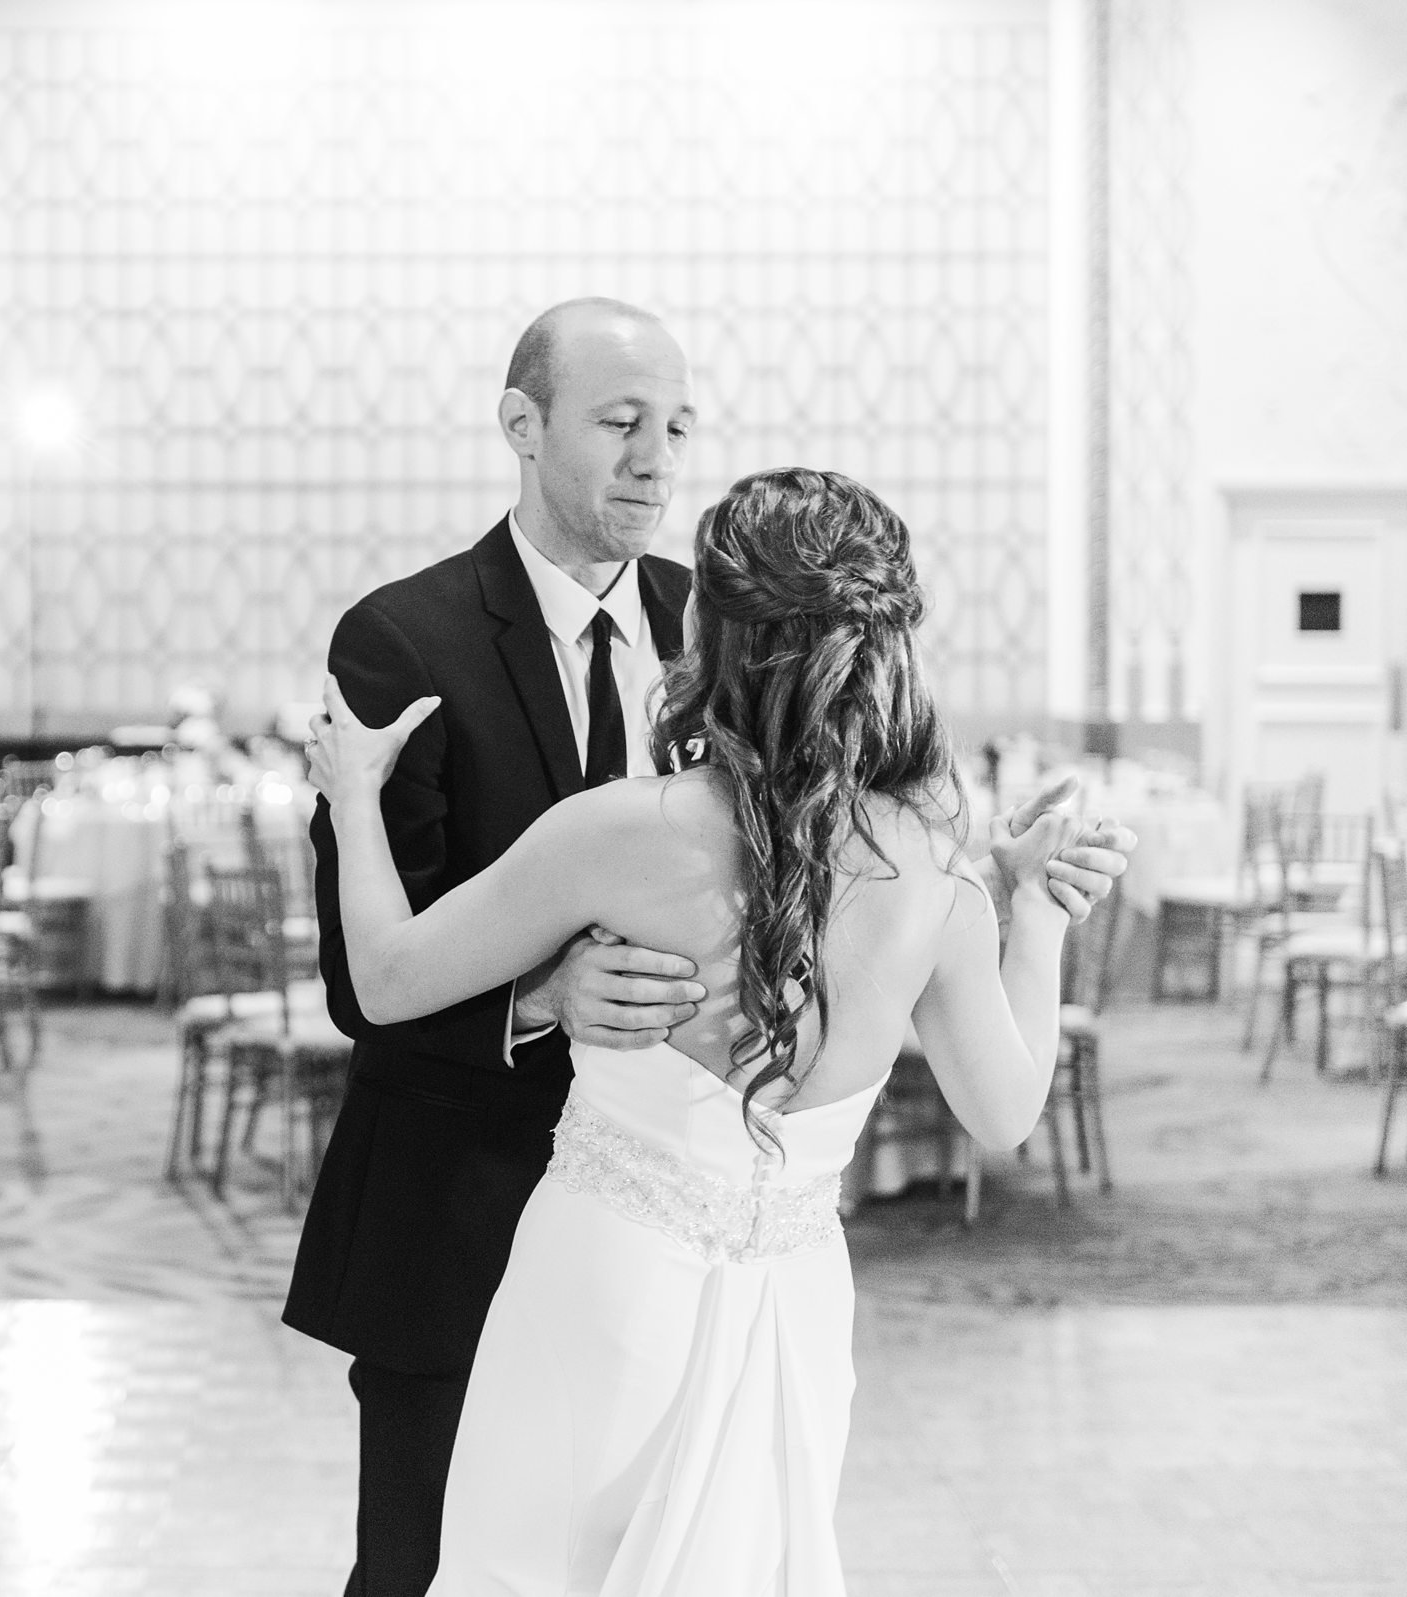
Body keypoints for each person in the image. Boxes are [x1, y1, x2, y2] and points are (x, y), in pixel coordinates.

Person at [280, 298, 1134, 1597]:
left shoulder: (660, 734)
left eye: (676, 426)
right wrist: (538, 990)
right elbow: (367, 996)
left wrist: (351, 790)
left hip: (623, 1263)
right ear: (524, 425)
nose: (654, 456)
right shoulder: (405, 638)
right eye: (621, 421)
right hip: (497, 1218)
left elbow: (401, 952)